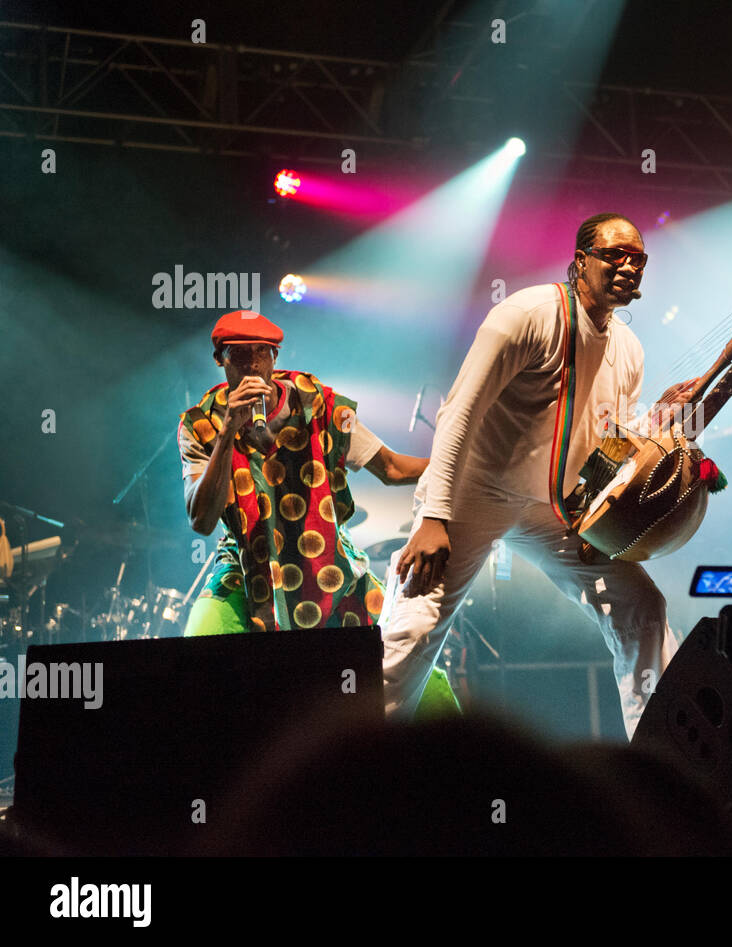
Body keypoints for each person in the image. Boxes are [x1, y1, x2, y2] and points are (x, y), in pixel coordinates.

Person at [382, 213, 693, 737]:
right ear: (580, 262)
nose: (628, 265)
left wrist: (653, 420)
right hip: (472, 494)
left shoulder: (629, 349)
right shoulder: (527, 314)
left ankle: (659, 755)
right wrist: (434, 516)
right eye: (614, 254)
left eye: (637, 258)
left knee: (642, 605)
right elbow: (459, 411)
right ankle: (351, 765)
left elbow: (606, 446)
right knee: (413, 630)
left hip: (553, 510)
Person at [178, 310, 432, 645]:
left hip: (327, 561)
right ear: (219, 360)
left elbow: (393, 468)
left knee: (408, 654)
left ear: (274, 357)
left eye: (261, 352)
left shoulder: (320, 406)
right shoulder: (201, 424)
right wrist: (228, 432)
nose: (252, 365)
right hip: (246, 564)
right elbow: (202, 520)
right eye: (238, 354)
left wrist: (465, 462)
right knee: (198, 647)